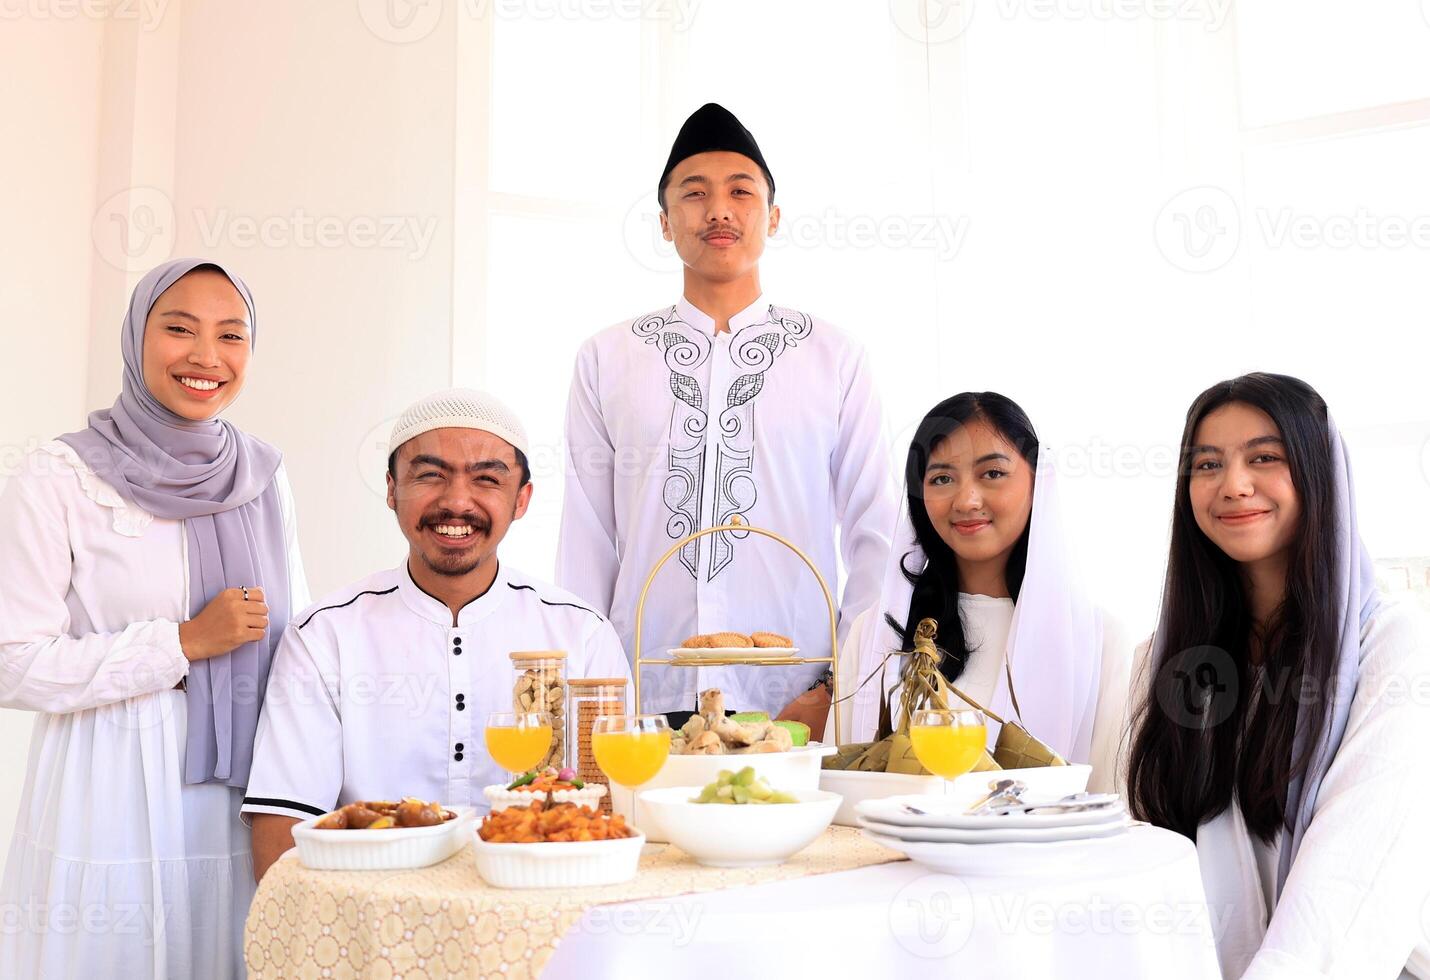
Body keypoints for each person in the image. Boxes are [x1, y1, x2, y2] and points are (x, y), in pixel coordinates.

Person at [0, 259, 308, 978]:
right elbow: (11, 661)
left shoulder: (265, 476)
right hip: (109, 782)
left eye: (231, 335)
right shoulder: (59, 477)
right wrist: (181, 644)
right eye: (179, 329)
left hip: (242, 791)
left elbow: (296, 641)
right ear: (137, 337)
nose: (207, 357)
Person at [557, 102, 896, 721]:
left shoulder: (834, 357)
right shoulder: (608, 358)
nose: (718, 209)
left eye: (741, 191)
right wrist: (595, 698)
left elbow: (877, 534)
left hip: (795, 699)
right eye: (694, 193)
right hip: (645, 694)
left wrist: (838, 690)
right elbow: (586, 542)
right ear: (664, 221)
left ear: (772, 216)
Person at [245, 389, 630, 881]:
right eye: (429, 476)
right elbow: (283, 826)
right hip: (372, 924)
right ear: (391, 489)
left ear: (522, 500)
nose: (456, 502)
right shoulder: (325, 635)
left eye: (487, 480)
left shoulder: (581, 632)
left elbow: (616, 812)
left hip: (539, 912)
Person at [1124, 372, 1430, 978]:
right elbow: (1139, 848)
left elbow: (1354, 872)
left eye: (1265, 457)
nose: (1233, 486)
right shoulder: (1162, 658)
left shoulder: (1393, 646)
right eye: (1207, 465)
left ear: (1320, 476)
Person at [836, 392, 1131, 790]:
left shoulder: (1097, 639)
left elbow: (1111, 802)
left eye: (992, 473)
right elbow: (839, 785)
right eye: (941, 478)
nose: (967, 500)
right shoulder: (877, 633)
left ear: (1038, 481)